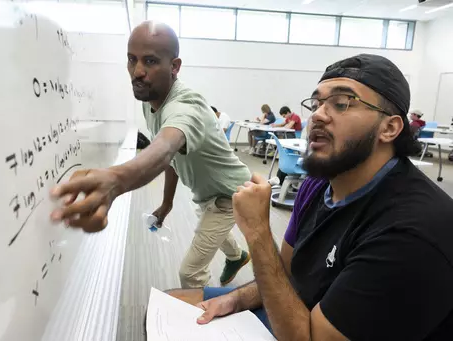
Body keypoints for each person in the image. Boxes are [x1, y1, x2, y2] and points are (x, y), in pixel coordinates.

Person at [165, 54, 453, 340]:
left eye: (341, 103)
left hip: (313, 332)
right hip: (301, 313)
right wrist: (237, 300)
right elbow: (289, 273)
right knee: (173, 304)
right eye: (316, 104)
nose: (317, 115)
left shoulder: (412, 230)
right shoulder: (317, 184)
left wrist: (257, 232)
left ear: (389, 128)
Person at [49, 21, 251, 289]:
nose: (137, 71)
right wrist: (167, 204)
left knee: (190, 273)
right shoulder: (151, 100)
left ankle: (206, 324)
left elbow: (166, 146)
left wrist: (117, 178)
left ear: (175, 66)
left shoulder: (185, 105)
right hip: (207, 194)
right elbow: (171, 157)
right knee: (210, 226)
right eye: (132, 60)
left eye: (151, 61)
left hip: (232, 195)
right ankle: (237, 257)